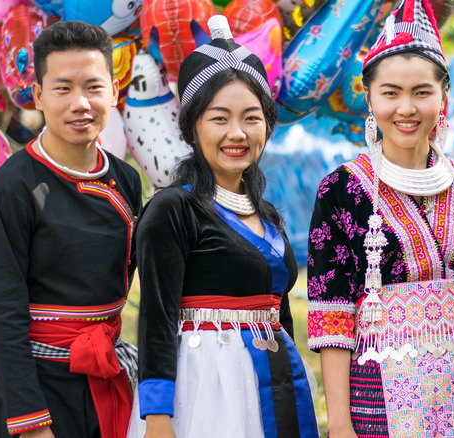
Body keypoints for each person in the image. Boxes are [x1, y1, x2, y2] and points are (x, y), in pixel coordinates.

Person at [306, 1, 454, 437]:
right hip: (380, 393)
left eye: (421, 92)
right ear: (370, 97)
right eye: (390, 92)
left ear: (443, 97)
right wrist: (339, 423)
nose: (406, 108)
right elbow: (332, 314)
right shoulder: (341, 191)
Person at [127, 16, 318, 438]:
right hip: (206, 390)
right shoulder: (172, 208)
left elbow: (278, 312)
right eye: (219, 118)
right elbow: (156, 318)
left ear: (267, 124)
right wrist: (157, 418)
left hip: (274, 383)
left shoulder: (266, 213)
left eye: (252, 118)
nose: (238, 133)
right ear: (192, 126)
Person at [0, 20, 142, 438]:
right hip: (38, 388)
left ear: (114, 92)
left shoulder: (126, 179)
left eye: (93, 87)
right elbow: (2, 313)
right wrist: (31, 422)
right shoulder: (11, 189)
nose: (80, 103)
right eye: (63, 88)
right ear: (39, 97)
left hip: (107, 377)